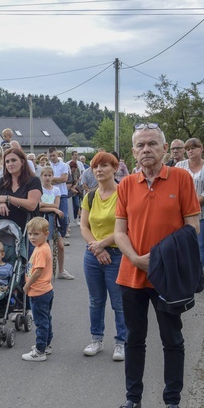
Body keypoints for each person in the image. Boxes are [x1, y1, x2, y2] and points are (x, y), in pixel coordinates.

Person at [113, 123, 200, 408]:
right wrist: (136, 259)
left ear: (164, 148)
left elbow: (192, 227)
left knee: (172, 339)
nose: (146, 149)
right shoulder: (125, 184)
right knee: (134, 339)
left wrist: (161, 259)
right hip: (132, 276)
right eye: (140, 145)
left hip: (168, 278)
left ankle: (172, 401)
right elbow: (119, 231)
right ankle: (132, 398)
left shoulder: (181, 178)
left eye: (152, 143)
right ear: (133, 152)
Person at [79, 151, 127, 362]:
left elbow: (126, 227)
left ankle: (121, 342)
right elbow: (83, 225)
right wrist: (96, 248)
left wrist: (103, 245)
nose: (99, 170)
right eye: (95, 167)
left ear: (115, 169)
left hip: (116, 254)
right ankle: (96, 339)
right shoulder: (89, 196)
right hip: (93, 254)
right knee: (95, 300)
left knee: (118, 302)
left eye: (104, 166)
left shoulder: (123, 194)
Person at [176, 138, 204, 270]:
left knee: (200, 246)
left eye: (193, 148)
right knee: (182, 245)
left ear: (201, 148)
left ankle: (198, 275)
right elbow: (174, 186)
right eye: (187, 149)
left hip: (202, 212)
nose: (190, 151)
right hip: (181, 213)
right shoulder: (180, 166)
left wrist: (200, 200)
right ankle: (184, 272)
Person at [21, 217, 54, 362]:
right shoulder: (42, 247)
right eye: (30, 234)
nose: (32, 237)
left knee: (41, 322)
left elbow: (38, 271)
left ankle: (40, 351)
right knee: (46, 319)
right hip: (46, 290)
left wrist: (28, 285)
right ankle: (46, 345)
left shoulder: (41, 250)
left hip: (39, 291)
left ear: (46, 234)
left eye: (36, 234)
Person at [0, 146, 42, 233]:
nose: (10, 164)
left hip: (28, 231)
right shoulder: (2, 181)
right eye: (7, 162)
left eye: (13, 160)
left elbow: (32, 205)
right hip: (5, 231)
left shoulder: (33, 181)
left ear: (22, 162)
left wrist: (7, 199)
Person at [38, 166, 71, 278]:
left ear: (52, 176)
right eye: (45, 175)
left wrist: (52, 207)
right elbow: (39, 207)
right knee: (45, 246)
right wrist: (53, 208)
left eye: (49, 175)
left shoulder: (56, 190)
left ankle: (61, 270)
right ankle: (45, 271)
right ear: (41, 176)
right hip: (42, 219)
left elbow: (56, 204)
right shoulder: (39, 189)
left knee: (60, 245)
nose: (47, 178)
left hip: (54, 220)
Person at [47, 148, 74, 276]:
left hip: (61, 194)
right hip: (50, 194)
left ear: (57, 155)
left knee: (64, 216)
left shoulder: (64, 165)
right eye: (50, 156)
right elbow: (47, 179)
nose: (52, 158)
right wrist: (53, 179)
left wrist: (54, 179)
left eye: (53, 155)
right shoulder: (48, 166)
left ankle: (62, 235)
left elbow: (64, 179)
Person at [68, 160, 83, 227]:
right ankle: (70, 219)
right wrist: (71, 188)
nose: (73, 170)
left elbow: (78, 179)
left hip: (76, 189)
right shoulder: (67, 172)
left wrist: (75, 186)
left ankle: (75, 218)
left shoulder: (77, 170)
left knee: (77, 204)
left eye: (74, 168)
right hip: (69, 189)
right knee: (70, 206)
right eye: (72, 169)